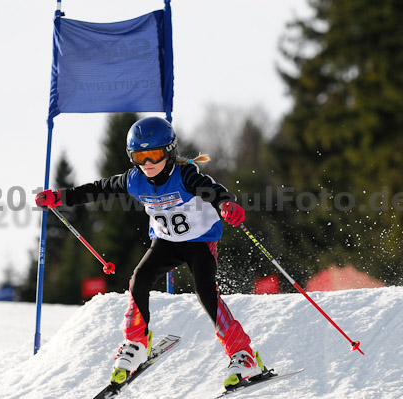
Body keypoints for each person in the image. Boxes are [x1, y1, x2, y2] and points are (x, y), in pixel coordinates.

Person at [35, 116, 267, 389]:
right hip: (166, 242)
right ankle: (136, 342)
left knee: (205, 292)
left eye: (154, 154)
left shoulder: (185, 175)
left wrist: (226, 204)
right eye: (139, 156)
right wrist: (61, 197)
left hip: (200, 241)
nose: (147, 163)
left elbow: (213, 190)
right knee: (139, 279)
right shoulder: (134, 180)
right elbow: (98, 189)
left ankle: (244, 354)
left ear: (169, 152)